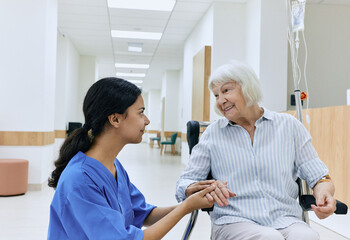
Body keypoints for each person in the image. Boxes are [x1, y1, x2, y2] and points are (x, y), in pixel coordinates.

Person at [175, 60, 336, 240]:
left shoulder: (289, 126)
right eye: (216, 95)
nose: (220, 100)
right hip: (234, 221)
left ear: (248, 87)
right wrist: (198, 188)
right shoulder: (213, 134)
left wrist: (324, 194)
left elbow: (320, 176)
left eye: (226, 90)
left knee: (307, 237)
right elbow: (185, 183)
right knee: (269, 238)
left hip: (286, 219)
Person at [47, 78, 220, 240]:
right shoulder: (80, 180)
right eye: (141, 113)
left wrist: (192, 203)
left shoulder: (114, 167)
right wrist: (186, 207)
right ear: (115, 119)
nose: (147, 121)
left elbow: (142, 213)